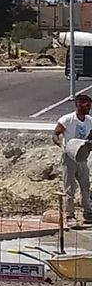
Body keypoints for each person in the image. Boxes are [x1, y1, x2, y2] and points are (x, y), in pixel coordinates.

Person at [53, 92, 92, 225]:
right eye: (87, 105)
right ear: (79, 104)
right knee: (69, 187)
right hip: (69, 156)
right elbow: (55, 135)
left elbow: (90, 136)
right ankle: (70, 215)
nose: (89, 107)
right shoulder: (67, 120)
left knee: (85, 185)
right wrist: (61, 147)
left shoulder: (89, 121)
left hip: (82, 156)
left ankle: (87, 212)